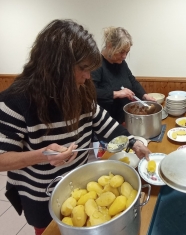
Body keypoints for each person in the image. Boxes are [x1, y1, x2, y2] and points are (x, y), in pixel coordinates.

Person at [0, 19, 150, 235]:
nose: (88, 76)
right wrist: (42, 155)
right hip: (41, 196)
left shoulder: (80, 89)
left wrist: (133, 143)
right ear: (56, 65)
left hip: (79, 186)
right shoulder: (15, 100)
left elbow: (103, 122)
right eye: (83, 69)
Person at [91, 26, 155, 124]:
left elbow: (131, 80)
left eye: (127, 52)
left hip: (124, 120)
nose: (124, 56)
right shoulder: (96, 64)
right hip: (106, 123)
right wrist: (117, 94)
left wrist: (144, 95)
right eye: (121, 52)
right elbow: (91, 92)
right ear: (109, 46)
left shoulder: (120, 62)